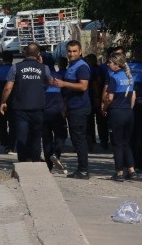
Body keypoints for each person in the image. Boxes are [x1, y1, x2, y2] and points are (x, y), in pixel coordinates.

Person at [0, 43, 52, 162]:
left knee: (21, 137)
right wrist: (41, 64)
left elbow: (8, 87)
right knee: (36, 137)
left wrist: (3, 102)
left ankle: (23, 162)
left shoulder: (16, 67)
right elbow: (50, 82)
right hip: (38, 108)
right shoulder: (44, 68)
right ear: (38, 54)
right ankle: (35, 161)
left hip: (20, 108)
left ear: (25, 53)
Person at [53, 40, 91, 179]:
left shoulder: (82, 67)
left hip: (79, 108)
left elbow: (83, 86)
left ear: (80, 51)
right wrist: (64, 106)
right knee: (75, 139)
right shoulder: (71, 66)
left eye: (75, 51)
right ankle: (81, 168)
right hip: (72, 106)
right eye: (69, 51)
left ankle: (83, 170)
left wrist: (63, 83)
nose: (72, 54)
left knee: (79, 140)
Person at [103, 52, 139, 181]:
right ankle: (132, 171)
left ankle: (119, 172)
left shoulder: (114, 77)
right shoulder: (129, 77)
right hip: (129, 113)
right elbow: (133, 97)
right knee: (126, 143)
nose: (108, 64)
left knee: (117, 144)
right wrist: (129, 109)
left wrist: (104, 107)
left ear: (117, 65)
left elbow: (110, 97)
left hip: (117, 113)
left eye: (110, 63)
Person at [43, 54, 68, 172]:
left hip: (44, 113)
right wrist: (64, 110)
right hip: (57, 112)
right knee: (61, 135)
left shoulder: (40, 79)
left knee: (47, 139)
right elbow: (66, 96)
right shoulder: (60, 77)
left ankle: (49, 166)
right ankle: (56, 153)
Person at [0, 51, 15, 154]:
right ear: (12, 59)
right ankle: (12, 144)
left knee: (2, 123)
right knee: (13, 124)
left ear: (3, 60)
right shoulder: (15, 69)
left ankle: (5, 143)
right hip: (13, 101)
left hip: (1, 99)